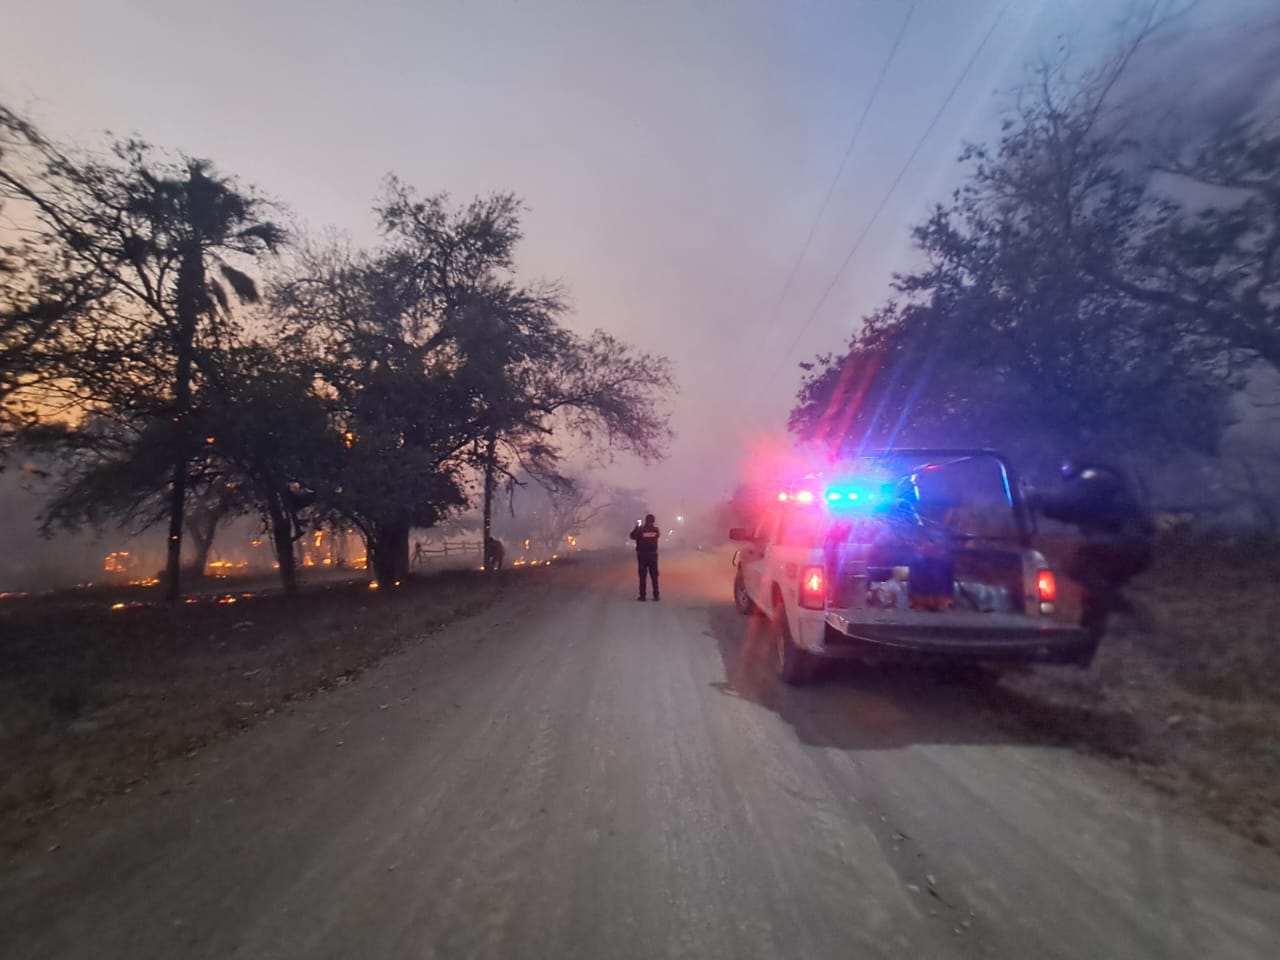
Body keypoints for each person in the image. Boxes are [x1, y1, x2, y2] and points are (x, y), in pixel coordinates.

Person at [1025, 462, 1155, 634]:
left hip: (1120, 544)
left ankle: (1118, 613)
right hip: (1134, 547)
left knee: (1076, 567)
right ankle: (1103, 623)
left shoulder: (1092, 480)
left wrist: (1035, 496)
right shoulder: (1108, 483)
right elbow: (1070, 510)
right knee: (1098, 584)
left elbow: (1068, 504)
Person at [630, 514, 661, 601]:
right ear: (653, 521)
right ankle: (656, 595)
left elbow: (632, 536)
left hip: (642, 556)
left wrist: (637, 527)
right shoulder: (656, 530)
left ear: (646, 520)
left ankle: (642, 596)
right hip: (653, 555)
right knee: (654, 576)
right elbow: (658, 536)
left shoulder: (640, 530)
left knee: (642, 576)